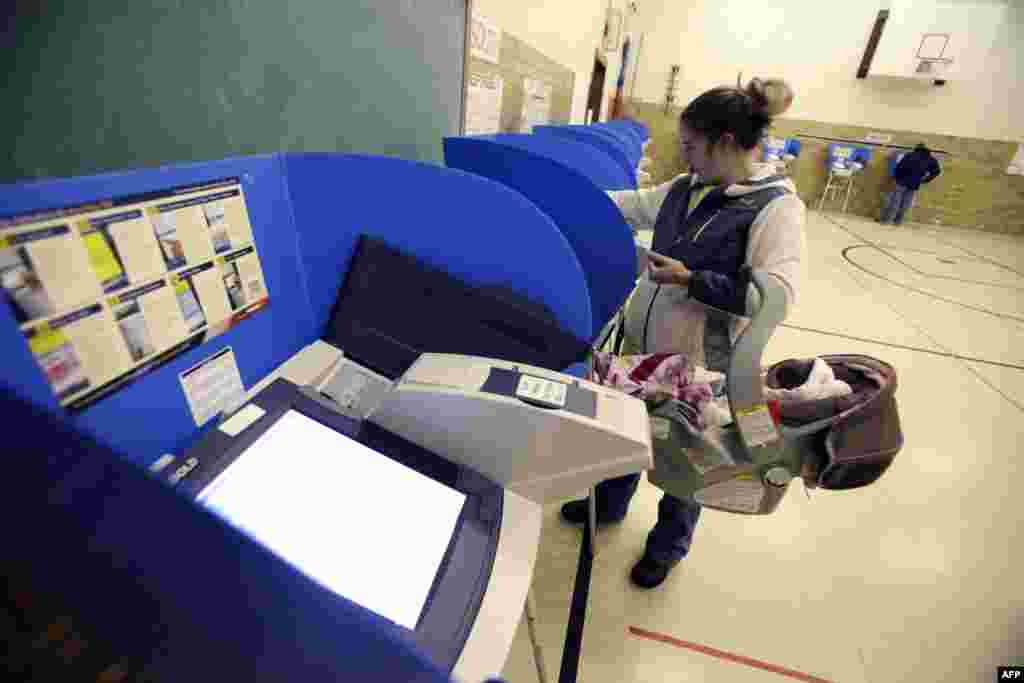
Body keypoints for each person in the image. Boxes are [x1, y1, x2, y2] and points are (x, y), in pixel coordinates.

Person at [561, 77, 807, 589]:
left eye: (692, 146)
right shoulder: (684, 188)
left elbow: (776, 297)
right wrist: (567, 196)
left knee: (687, 460)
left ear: (724, 143)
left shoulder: (774, 206)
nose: (685, 156)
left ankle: (667, 547)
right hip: (643, 348)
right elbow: (630, 204)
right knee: (625, 430)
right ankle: (606, 505)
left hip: (703, 360)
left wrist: (692, 281)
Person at [880, 143, 942, 225]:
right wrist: (926, 180)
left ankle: (886, 220)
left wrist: (896, 177)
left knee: (895, 201)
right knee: (905, 203)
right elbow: (937, 171)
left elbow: (900, 166)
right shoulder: (930, 159)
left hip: (902, 181)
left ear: (916, 149)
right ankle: (898, 221)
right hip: (914, 184)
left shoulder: (909, 155)